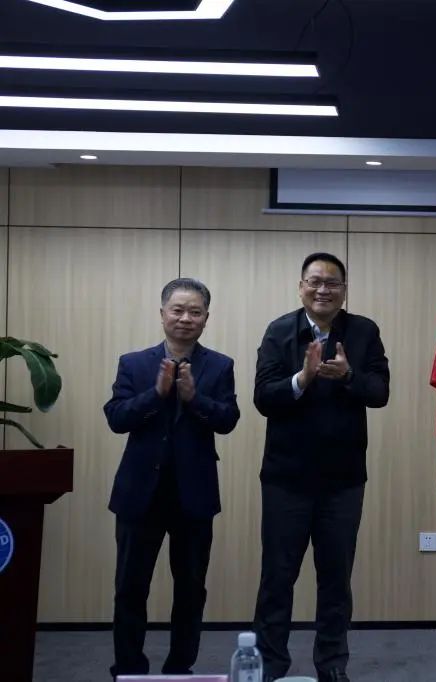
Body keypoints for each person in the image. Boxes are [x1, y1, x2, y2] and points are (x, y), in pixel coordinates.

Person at [253, 252, 390, 682]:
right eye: (314, 281)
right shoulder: (279, 331)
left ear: (343, 290)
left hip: (343, 481)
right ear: (301, 287)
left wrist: (348, 377)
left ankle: (332, 665)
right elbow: (263, 397)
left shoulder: (364, 332)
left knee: (335, 580)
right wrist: (302, 378)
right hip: (286, 479)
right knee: (277, 578)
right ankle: (270, 666)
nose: (322, 290)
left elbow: (380, 392)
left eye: (332, 283)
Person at [104, 278, 240, 678]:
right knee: (130, 587)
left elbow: (228, 419)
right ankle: (129, 668)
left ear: (206, 318)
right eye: (177, 310)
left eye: (194, 312)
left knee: (191, 589)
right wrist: (156, 393)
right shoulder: (134, 363)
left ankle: (180, 668)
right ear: (162, 314)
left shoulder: (220, 365)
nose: (185, 318)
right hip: (139, 495)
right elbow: (116, 417)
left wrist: (194, 399)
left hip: (193, 495)